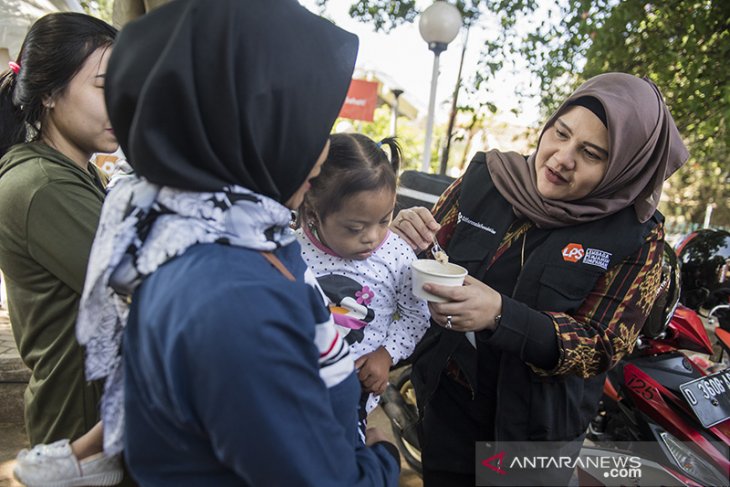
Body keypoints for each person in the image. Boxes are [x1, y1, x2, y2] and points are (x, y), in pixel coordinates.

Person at [73, 0, 401, 484]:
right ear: (250, 125)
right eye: (310, 125)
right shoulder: (235, 298)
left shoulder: (214, 230)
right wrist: (383, 457)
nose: (322, 154)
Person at [390, 72, 689, 486]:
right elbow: (430, 253)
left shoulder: (637, 239)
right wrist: (404, 233)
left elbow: (602, 344)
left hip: (535, 437)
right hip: (449, 403)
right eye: (560, 133)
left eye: (591, 153)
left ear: (625, 168)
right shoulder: (486, 179)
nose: (561, 158)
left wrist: (500, 314)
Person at [0, 12, 123, 485]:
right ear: (49, 93)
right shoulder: (43, 185)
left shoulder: (81, 171)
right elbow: (141, 284)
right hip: (78, 437)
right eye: (103, 86)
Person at [297, 133, 430, 436]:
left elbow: (416, 313)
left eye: (384, 220)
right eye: (355, 228)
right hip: (298, 385)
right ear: (313, 212)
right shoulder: (294, 251)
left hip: (355, 396)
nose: (373, 237)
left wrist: (386, 355)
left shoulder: (396, 255)